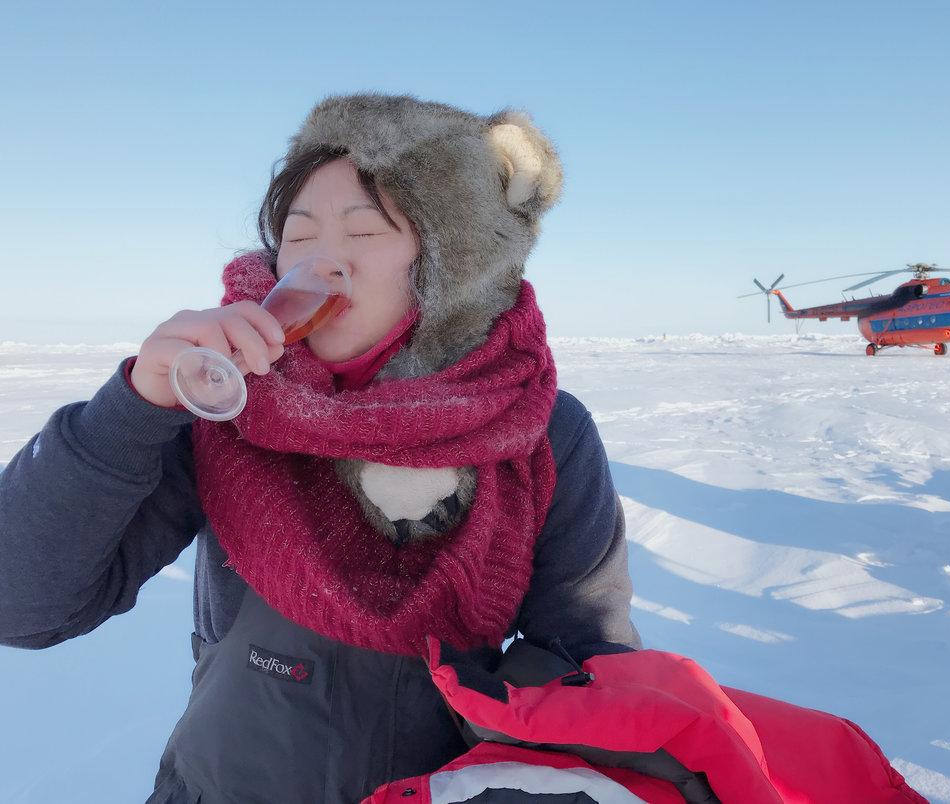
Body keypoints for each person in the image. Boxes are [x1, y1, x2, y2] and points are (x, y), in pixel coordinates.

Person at [0, 92, 641, 802]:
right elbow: (22, 605)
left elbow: (589, 668)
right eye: (299, 237)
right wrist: (131, 409)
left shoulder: (542, 431)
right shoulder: (227, 409)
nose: (322, 264)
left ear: (455, 264)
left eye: (364, 234)